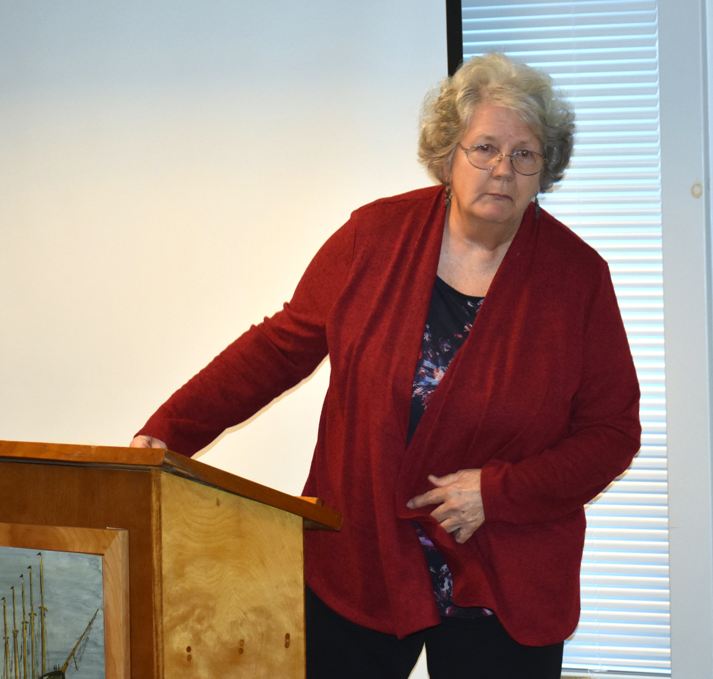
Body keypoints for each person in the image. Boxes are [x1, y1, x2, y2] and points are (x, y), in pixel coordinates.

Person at [130, 53, 641, 679]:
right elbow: (279, 348)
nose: (502, 170)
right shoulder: (373, 237)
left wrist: (497, 492)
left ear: (545, 168)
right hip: (361, 557)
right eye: (484, 148)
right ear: (449, 155)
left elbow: (612, 434)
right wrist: (169, 431)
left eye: (524, 154)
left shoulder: (578, 279)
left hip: (504, 577)